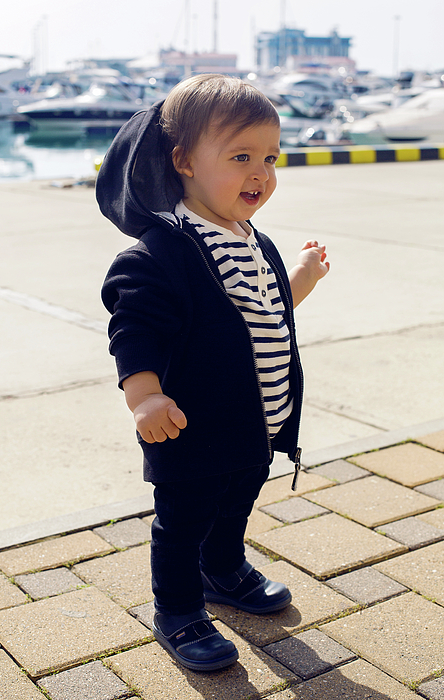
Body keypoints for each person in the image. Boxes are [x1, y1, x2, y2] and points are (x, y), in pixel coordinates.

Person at [98, 74, 329, 672]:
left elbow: (263, 308)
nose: (261, 174)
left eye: (271, 159)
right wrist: (143, 394)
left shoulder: (254, 241)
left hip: (255, 423)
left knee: (236, 504)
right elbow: (134, 327)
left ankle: (222, 569)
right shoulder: (163, 249)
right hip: (191, 428)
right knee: (184, 521)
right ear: (183, 161)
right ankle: (177, 609)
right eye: (241, 157)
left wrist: (301, 275)